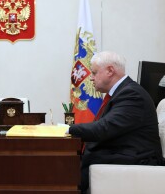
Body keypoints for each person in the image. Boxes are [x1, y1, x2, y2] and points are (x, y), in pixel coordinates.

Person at [68, 51, 163, 193]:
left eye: (94, 73)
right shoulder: (121, 92)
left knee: (63, 170)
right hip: (118, 155)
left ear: (110, 71)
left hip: (133, 161)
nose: (91, 78)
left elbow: (103, 129)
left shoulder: (132, 95)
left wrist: (66, 129)